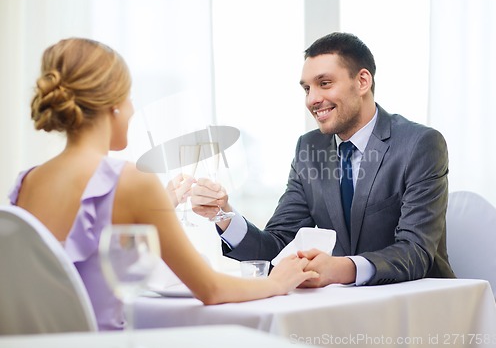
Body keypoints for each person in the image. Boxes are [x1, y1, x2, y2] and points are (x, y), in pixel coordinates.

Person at [8, 38, 318, 331]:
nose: (132, 110)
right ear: (113, 105)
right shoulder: (130, 180)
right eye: (129, 98)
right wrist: (277, 283)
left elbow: (76, 262)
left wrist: (159, 205)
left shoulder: (26, 182)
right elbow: (210, 288)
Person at [191, 32, 456, 287]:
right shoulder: (309, 148)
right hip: (343, 307)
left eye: (324, 83)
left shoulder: (420, 144)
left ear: (362, 81)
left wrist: (341, 269)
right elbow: (277, 245)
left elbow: (415, 252)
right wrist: (223, 213)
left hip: (420, 305)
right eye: (307, 88)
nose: (313, 99)